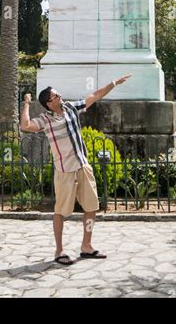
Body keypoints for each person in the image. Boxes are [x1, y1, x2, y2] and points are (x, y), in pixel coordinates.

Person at [20, 75, 131, 265]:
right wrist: (27, 103)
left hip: (82, 166)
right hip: (64, 171)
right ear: (49, 102)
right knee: (61, 212)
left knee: (91, 207)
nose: (60, 96)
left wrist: (114, 83)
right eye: (56, 95)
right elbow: (25, 126)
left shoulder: (71, 107)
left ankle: (86, 246)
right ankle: (59, 250)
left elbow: (94, 96)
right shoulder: (45, 120)